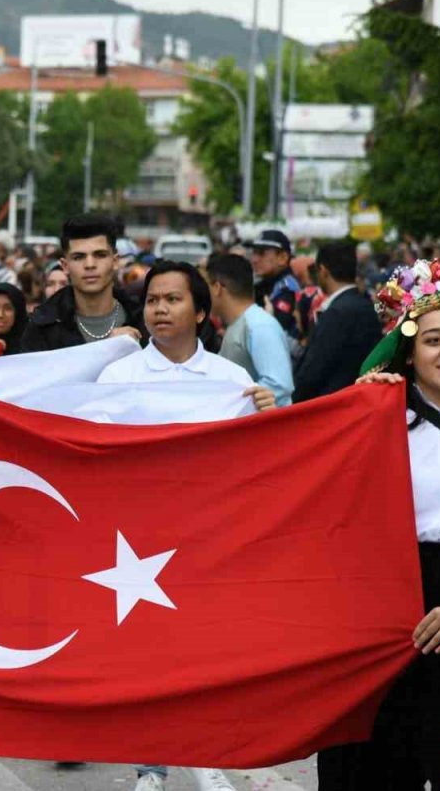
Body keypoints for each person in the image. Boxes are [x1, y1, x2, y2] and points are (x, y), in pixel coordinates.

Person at [321, 257, 440, 791]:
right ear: (408, 348)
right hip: (375, 606)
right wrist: (355, 413)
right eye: (432, 340)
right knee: (370, 761)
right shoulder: (374, 414)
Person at [97, 261, 273, 791]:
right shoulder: (118, 377)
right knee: (145, 658)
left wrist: (269, 417)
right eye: (152, 300)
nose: (160, 309)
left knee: (203, 654)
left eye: (173, 300)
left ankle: (204, 756)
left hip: (207, 539)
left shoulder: (231, 381)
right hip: (135, 541)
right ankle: (150, 765)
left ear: (200, 311)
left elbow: (260, 461)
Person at [21, 216, 145, 353]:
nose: (90, 265)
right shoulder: (41, 326)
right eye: (78, 257)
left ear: (115, 261)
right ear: (65, 266)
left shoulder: (143, 320)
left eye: (100, 255)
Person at [292, 242, 382, 403]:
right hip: (361, 399)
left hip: (333, 404)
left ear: (323, 271)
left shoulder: (337, 313)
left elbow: (313, 372)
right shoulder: (366, 306)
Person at [205, 253, 294, 407]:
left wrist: (231, 401)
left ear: (217, 288)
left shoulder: (259, 325)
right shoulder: (240, 324)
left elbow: (279, 385)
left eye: (205, 287)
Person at [249, 230, 301, 340]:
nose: (254, 259)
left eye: (262, 253)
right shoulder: (263, 284)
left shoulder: (287, 289)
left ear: (282, 258)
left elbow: (278, 329)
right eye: (254, 252)